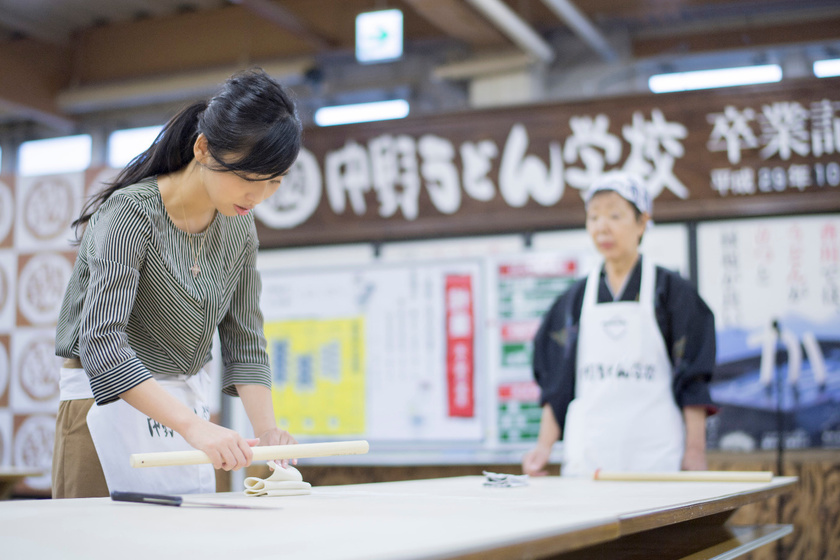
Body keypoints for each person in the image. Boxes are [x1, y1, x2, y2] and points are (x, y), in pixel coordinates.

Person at [52, 68, 300, 498]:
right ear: (203, 149)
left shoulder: (240, 228)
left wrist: (269, 435)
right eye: (248, 178)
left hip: (187, 417)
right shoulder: (132, 214)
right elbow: (102, 342)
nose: (258, 197)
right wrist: (194, 427)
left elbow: (245, 339)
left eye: (274, 182)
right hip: (105, 410)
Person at [521, 171, 716, 478]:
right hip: (589, 457)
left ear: (642, 222)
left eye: (614, 215)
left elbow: (693, 379)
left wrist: (695, 450)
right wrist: (543, 447)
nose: (602, 227)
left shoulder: (672, 292)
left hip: (656, 457)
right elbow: (558, 382)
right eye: (594, 217)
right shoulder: (572, 301)